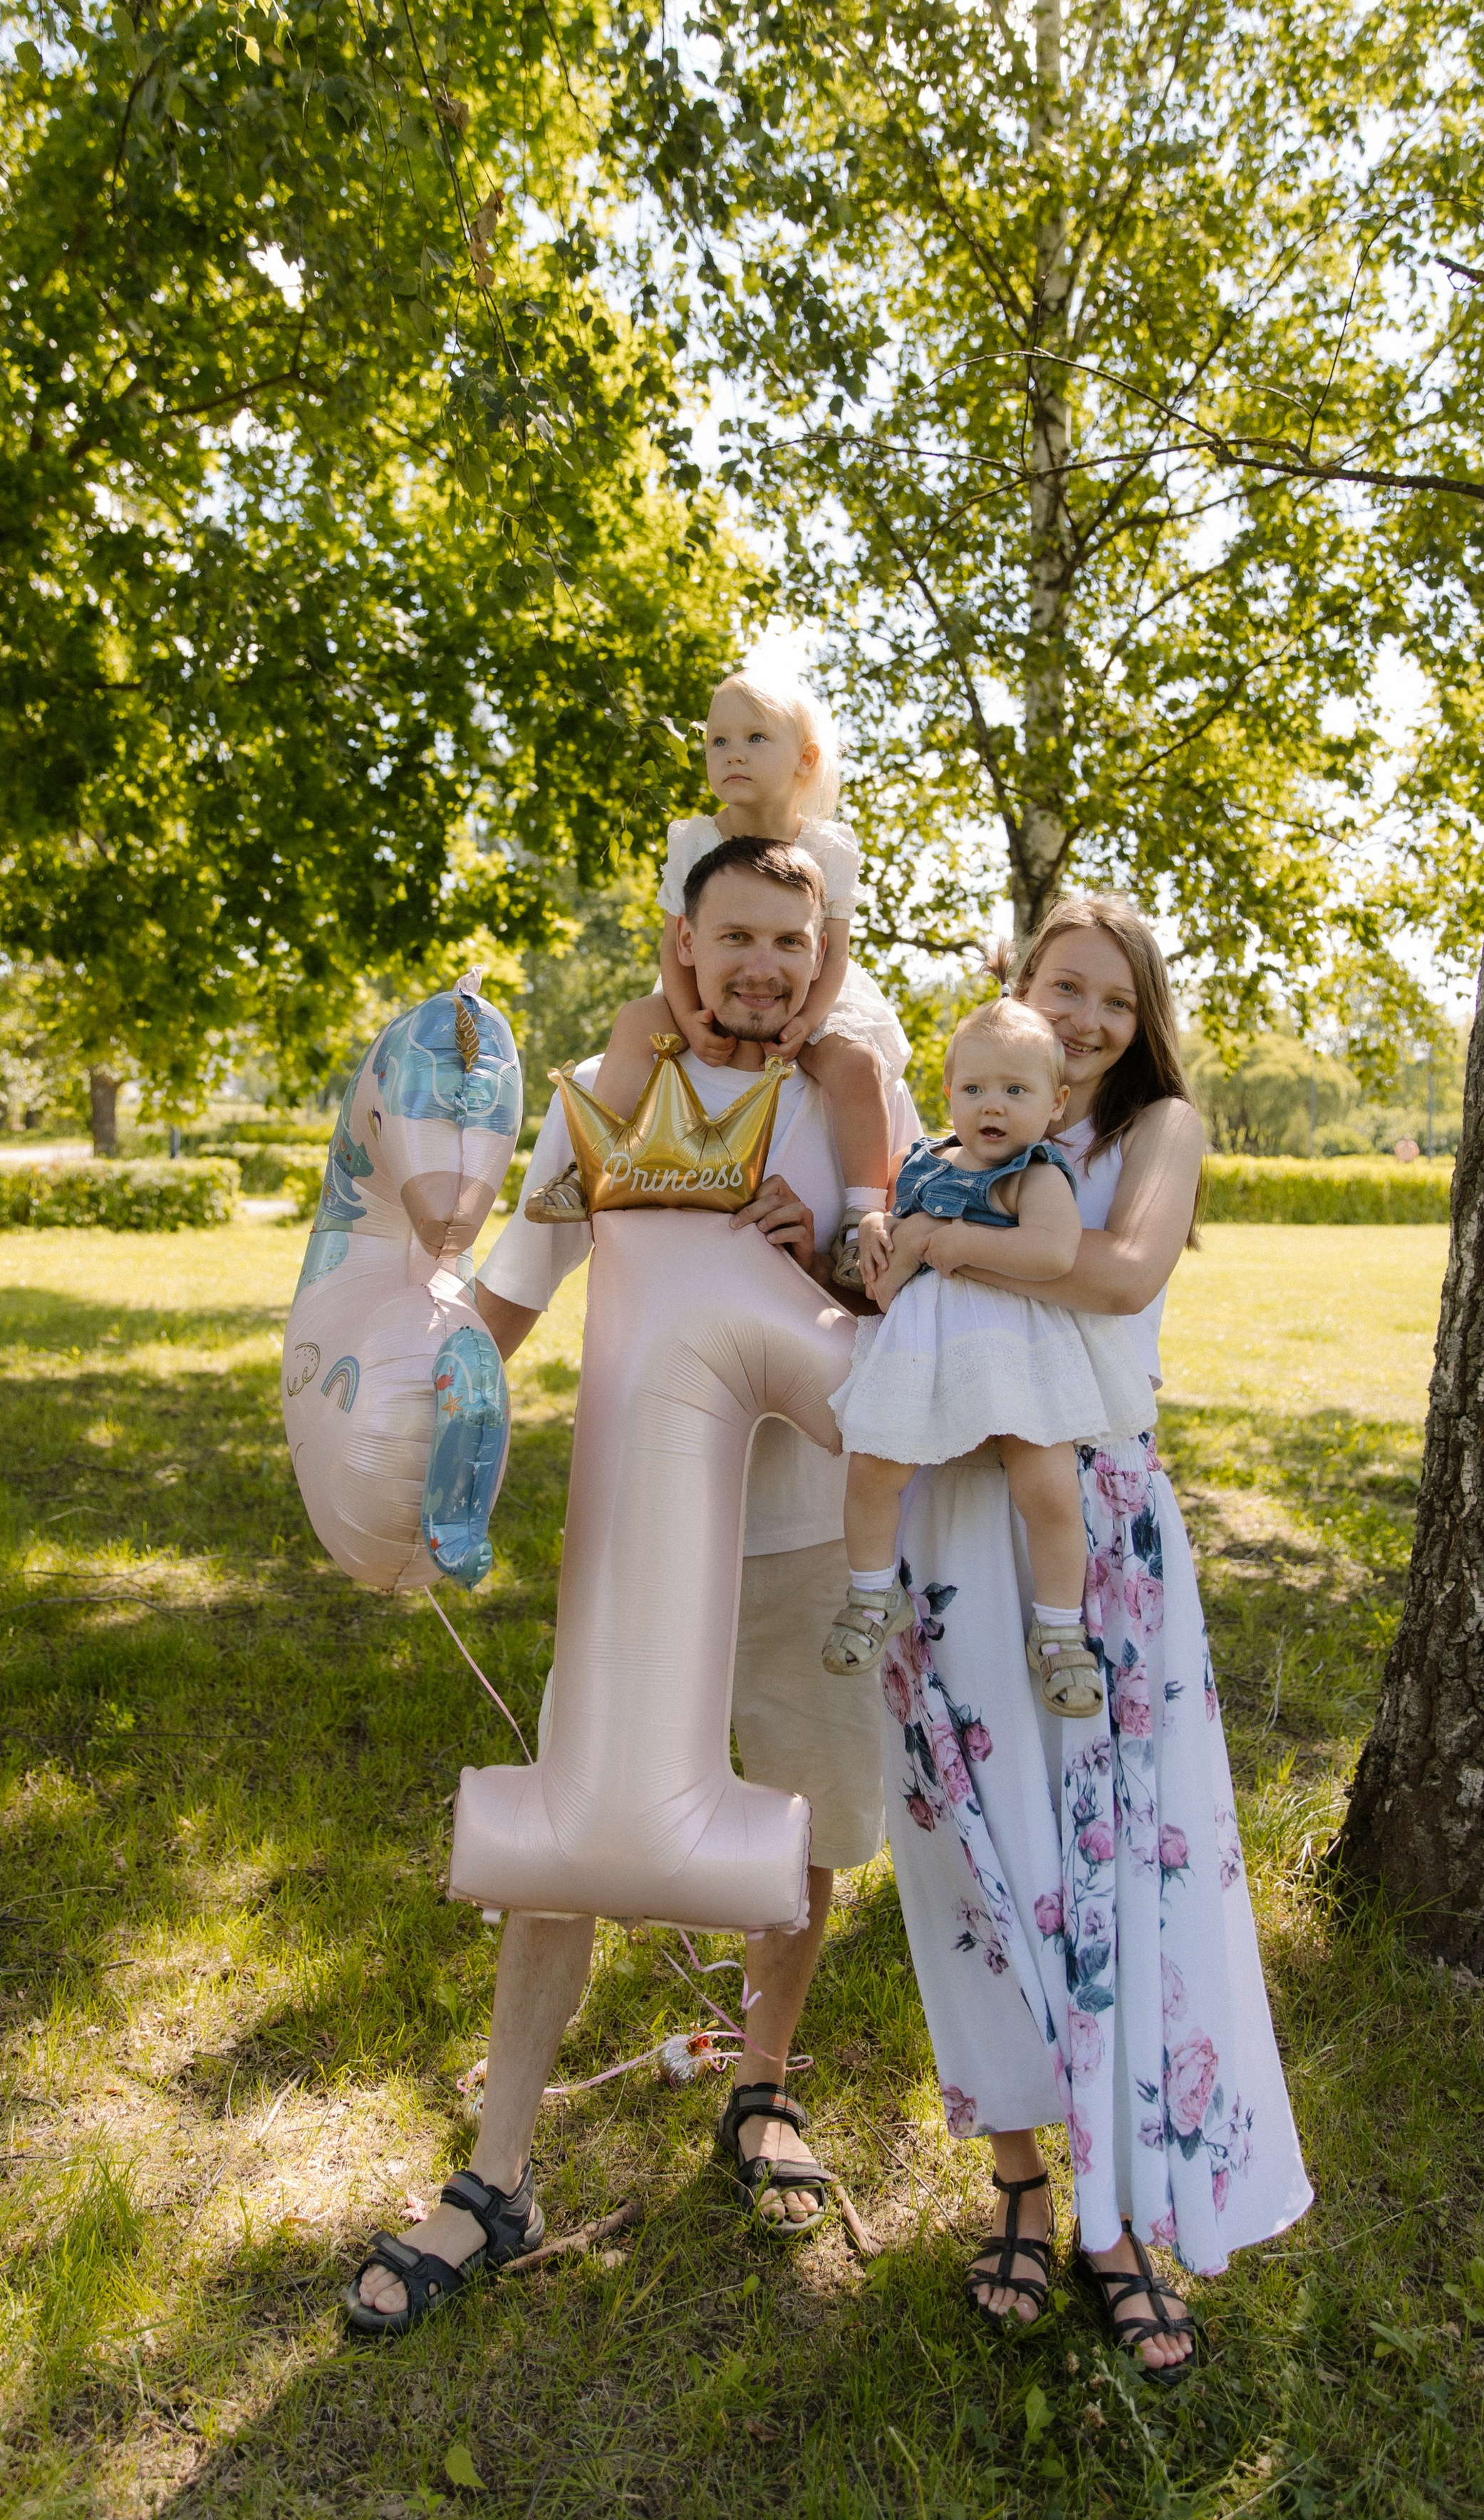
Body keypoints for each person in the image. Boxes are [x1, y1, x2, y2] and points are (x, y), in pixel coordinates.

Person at [342, 835, 923, 2335]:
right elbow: (509, 1298)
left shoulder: (853, 1097)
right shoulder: (605, 1099)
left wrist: (829, 1259)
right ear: (682, 946)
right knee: (568, 1832)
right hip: (633, 1550)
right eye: (736, 938)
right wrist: (393, 1445)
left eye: (790, 943)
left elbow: (917, 1308)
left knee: (804, 1827)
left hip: (810, 1538)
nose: (764, 968)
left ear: (821, 954)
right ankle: (497, 2173)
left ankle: (761, 2092)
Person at [878, 893, 1311, 2379]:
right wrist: (889, 1242)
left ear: (1141, 1023)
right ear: (1019, 985)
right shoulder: (966, 1115)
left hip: (1092, 1520)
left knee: (1111, 1858)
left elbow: (1123, 1275)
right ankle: (1016, 2182)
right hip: (947, 1508)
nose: (1085, 1020)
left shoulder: (1156, 1129)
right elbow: (886, 1279)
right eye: (1063, 987)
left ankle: (1117, 2217)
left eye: (1115, 1002)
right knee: (972, 1850)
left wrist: (944, 1239)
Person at [822, 998, 1155, 1718]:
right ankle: (872, 1593)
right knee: (874, 1466)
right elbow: (891, 1224)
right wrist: (877, 1225)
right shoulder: (923, 1160)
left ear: (1055, 1103)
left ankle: (1060, 1630)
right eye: (973, 1088)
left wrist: (961, 1242)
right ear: (949, 1093)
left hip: (1016, 1348)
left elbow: (1053, 1251)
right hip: (926, 1347)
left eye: (1015, 1090)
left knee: (1047, 1487)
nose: (992, 1106)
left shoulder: (1036, 1173)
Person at [526, 674, 910, 1293]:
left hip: (811, 989)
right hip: (704, 983)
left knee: (856, 1066)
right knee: (635, 1020)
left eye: (755, 739)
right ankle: (592, 1163)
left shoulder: (827, 845)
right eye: (717, 741)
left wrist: (808, 1021)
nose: (732, 754)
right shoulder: (696, 837)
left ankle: (861, 1215)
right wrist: (686, 1017)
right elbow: (673, 943)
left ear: (805, 760)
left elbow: (833, 952)